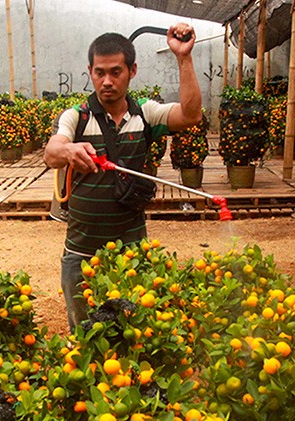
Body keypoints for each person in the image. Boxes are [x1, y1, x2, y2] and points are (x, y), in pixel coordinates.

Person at [43, 24, 202, 333]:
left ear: (132, 71)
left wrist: (184, 57)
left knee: (133, 333)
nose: (107, 81)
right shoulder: (76, 116)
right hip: (81, 251)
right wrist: (69, 150)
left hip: (131, 252)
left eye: (116, 72)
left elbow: (191, 114)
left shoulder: (145, 114)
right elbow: (52, 152)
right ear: (90, 72)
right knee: (85, 336)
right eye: (99, 72)